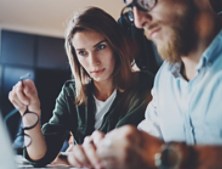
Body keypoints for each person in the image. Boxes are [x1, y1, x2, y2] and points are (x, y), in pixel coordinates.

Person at [67, 0, 222, 169]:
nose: (139, 22)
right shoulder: (164, 79)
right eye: (132, 8)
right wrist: (105, 152)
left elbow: (155, 153)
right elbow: (145, 140)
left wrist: (170, 156)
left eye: (146, 1)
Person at [8, 6, 154, 167]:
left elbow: (115, 149)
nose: (93, 62)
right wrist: (30, 113)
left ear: (116, 46)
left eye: (101, 47)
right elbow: (39, 157)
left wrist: (69, 158)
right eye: (82, 53)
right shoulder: (71, 93)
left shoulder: (142, 85)